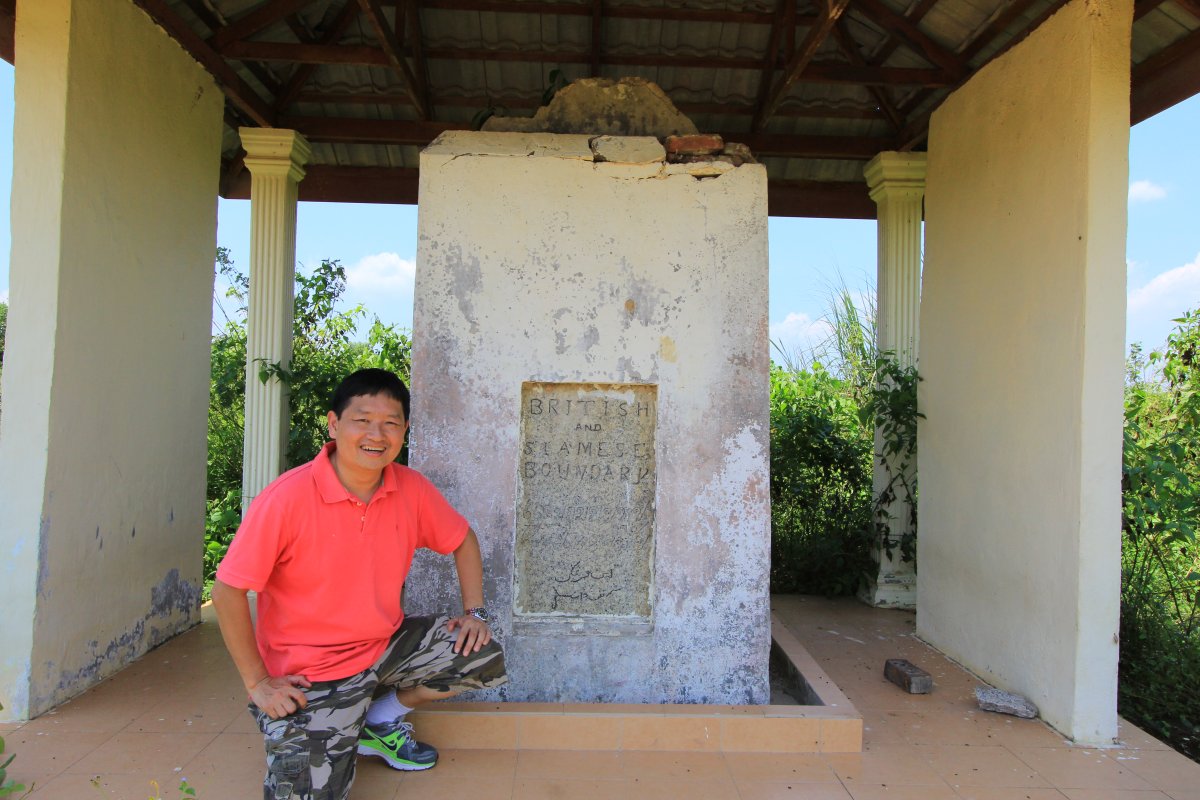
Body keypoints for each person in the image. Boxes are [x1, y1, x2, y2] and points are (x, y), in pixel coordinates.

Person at [212, 368, 507, 800]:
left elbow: (461, 539)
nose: (377, 434)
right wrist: (256, 682)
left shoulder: (410, 488)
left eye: (390, 423)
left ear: (404, 430)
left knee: (478, 654)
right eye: (362, 419)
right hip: (311, 672)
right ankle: (297, 725)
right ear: (333, 424)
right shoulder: (286, 499)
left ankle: (378, 720)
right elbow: (227, 591)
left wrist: (475, 611)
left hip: (383, 643)